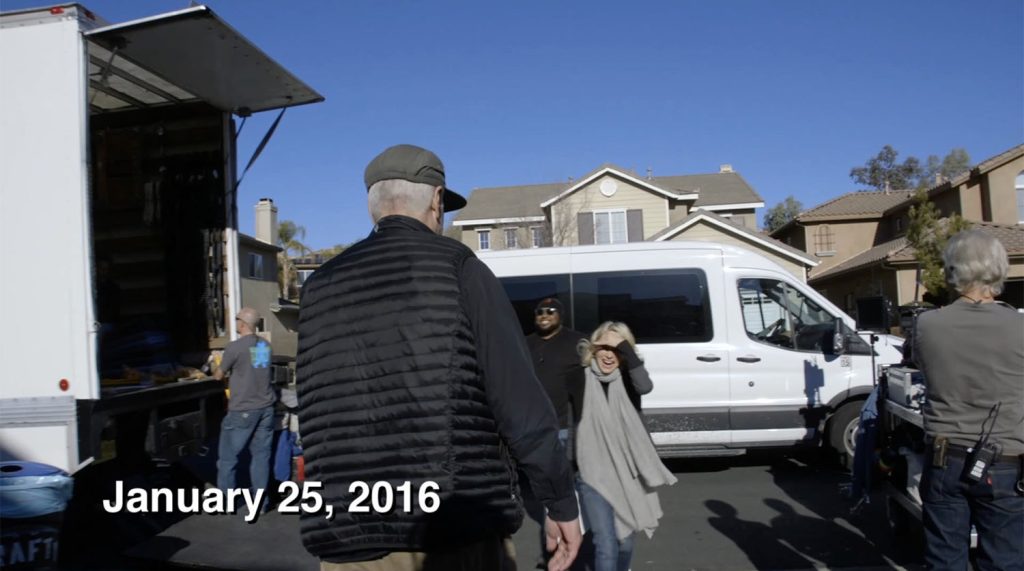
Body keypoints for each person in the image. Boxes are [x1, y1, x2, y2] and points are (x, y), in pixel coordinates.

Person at [295, 144, 581, 571]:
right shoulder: (460, 269)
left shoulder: (318, 287)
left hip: (345, 538)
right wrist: (559, 500)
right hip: (452, 531)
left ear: (372, 206)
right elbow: (518, 401)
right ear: (435, 199)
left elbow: (314, 408)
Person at [913, 229, 1024, 571]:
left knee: (945, 560)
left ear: (952, 270)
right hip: (1005, 459)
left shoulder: (928, 325)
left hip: (946, 456)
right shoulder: (1018, 326)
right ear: (999, 270)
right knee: (1004, 561)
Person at [570, 321, 676, 571]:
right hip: (591, 473)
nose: (608, 354)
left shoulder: (630, 381)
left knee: (625, 542)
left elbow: (646, 386)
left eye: (616, 348)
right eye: (603, 347)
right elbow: (568, 423)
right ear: (593, 349)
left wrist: (626, 349)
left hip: (627, 472)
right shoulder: (579, 378)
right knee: (606, 542)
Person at [523, 297, 585, 568]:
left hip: (564, 428)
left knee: (566, 491)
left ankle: (570, 548)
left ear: (560, 315)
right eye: (539, 312)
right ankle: (559, 545)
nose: (544, 315)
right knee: (548, 491)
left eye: (550, 311)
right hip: (536, 428)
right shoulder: (526, 343)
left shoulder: (577, 342)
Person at [214, 307, 276, 503]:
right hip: (266, 408)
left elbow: (218, 376)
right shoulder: (265, 345)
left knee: (227, 458)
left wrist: (214, 362)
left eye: (237, 320)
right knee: (260, 457)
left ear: (243, 324)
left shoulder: (234, 347)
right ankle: (261, 503)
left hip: (243, 410)